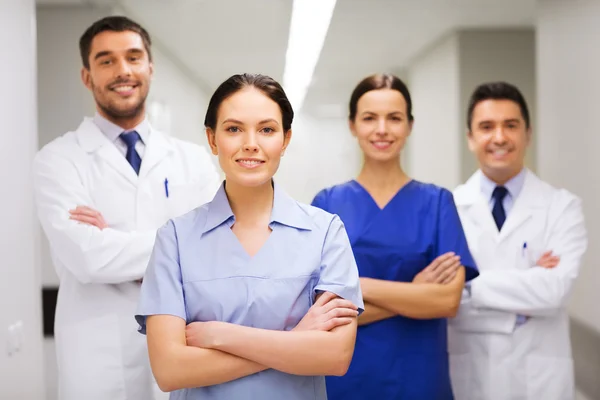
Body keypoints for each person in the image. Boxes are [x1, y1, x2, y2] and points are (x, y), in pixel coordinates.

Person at [134, 73, 364, 399]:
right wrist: (296, 339)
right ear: (212, 140)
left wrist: (220, 335)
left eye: (267, 129)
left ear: (285, 139)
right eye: (233, 129)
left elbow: (335, 356)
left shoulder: (325, 232)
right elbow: (170, 370)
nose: (251, 143)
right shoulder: (175, 239)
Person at [32, 16, 220, 400]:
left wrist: (113, 242)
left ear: (150, 67)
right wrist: (178, 247)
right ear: (87, 76)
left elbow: (215, 248)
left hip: (183, 342)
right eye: (106, 60)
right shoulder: (57, 160)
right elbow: (87, 258)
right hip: (98, 355)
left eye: (133, 57)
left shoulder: (194, 160)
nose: (123, 71)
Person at [310, 73, 479, 399]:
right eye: (370, 118)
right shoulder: (327, 205)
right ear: (352, 125)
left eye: (394, 118)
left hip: (421, 379)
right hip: (347, 379)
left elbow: (447, 301)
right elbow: (321, 314)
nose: (382, 129)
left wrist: (355, 287)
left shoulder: (438, 203)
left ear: (410, 126)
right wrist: (416, 293)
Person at [448, 82, 587, 400]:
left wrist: (470, 286)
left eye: (510, 125)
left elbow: (555, 291)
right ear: (470, 137)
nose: (499, 137)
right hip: (470, 376)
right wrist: (526, 291)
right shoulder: (449, 208)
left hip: (539, 381)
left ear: (528, 133)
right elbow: (445, 300)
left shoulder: (562, 206)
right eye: (486, 127)